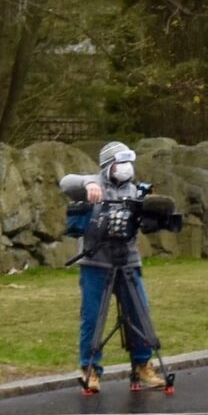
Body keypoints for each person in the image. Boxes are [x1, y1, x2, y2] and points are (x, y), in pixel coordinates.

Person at [59, 142, 166, 394]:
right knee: (93, 317)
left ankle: (143, 364)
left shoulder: (137, 190)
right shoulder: (92, 182)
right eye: (120, 163)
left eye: (129, 163)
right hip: (96, 262)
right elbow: (66, 182)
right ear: (109, 165)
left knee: (140, 312)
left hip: (128, 261)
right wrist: (89, 186)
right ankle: (91, 369)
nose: (126, 168)